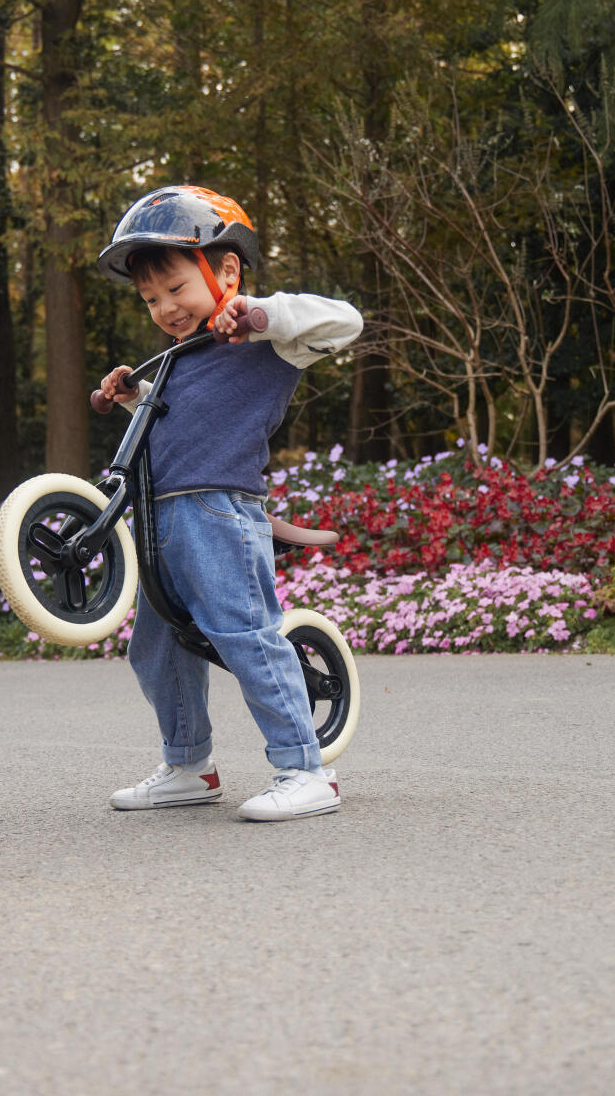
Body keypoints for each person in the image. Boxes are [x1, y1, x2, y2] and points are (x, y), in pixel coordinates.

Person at [94, 185, 363, 821]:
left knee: (245, 636)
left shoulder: (265, 340)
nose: (164, 308)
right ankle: (189, 764)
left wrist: (260, 313)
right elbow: (178, 424)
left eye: (176, 289)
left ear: (228, 270)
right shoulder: (177, 359)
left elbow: (345, 321)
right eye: (151, 299)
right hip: (160, 519)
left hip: (219, 513)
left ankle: (305, 768)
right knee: (156, 648)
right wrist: (127, 398)